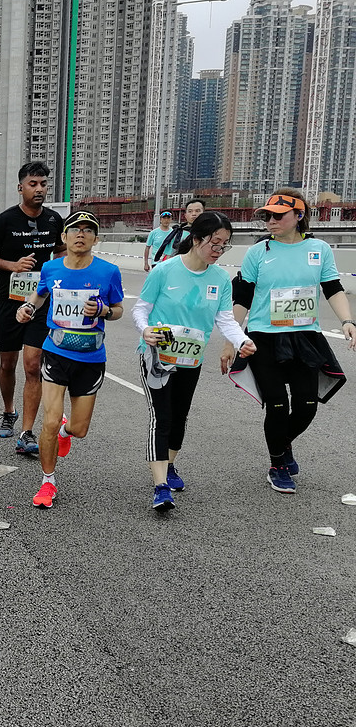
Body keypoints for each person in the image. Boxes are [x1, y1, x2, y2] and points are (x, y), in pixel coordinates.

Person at [226, 188, 356, 493]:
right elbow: (242, 297)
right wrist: (232, 338)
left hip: (305, 338)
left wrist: (347, 321)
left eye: (277, 215)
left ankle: (282, 445)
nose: (270, 221)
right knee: (277, 405)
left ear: (299, 216)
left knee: (307, 405)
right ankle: (277, 465)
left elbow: (333, 288)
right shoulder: (258, 252)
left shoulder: (320, 249)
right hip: (263, 338)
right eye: (267, 216)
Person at [132, 212, 255, 511]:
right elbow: (140, 310)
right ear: (198, 239)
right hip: (157, 357)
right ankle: (160, 486)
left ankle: (169, 464)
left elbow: (225, 320)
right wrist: (145, 330)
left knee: (179, 416)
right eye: (215, 243)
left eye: (224, 245)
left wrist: (242, 342)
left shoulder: (220, 279)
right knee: (161, 416)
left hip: (190, 358)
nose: (219, 250)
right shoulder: (165, 270)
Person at [14, 211, 124, 509]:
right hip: (56, 352)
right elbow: (38, 297)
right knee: (48, 421)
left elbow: (118, 310)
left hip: (90, 357)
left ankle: (67, 430)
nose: (81, 234)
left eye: (88, 230)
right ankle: (48, 481)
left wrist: (103, 311)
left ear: (95, 239)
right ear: (64, 236)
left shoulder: (109, 271)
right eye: (75, 229)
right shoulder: (50, 268)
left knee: (80, 429)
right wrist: (26, 309)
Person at [0, 161, 65, 455]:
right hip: (9, 302)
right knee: (8, 364)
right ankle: (8, 410)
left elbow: (62, 252)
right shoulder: (5, 221)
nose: (39, 189)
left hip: (40, 304)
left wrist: (56, 274)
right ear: (21, 187)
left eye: (43, 184)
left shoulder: (54, 221)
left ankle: (27, 433)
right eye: (33, 184)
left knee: (33, 365)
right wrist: (12, 266)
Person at [153, 199, 205, 265]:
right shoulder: (177, 233)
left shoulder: (210, 234)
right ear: (185, 215)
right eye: (190, 211)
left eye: (197, 211)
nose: (194, 214)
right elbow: (169, 255)